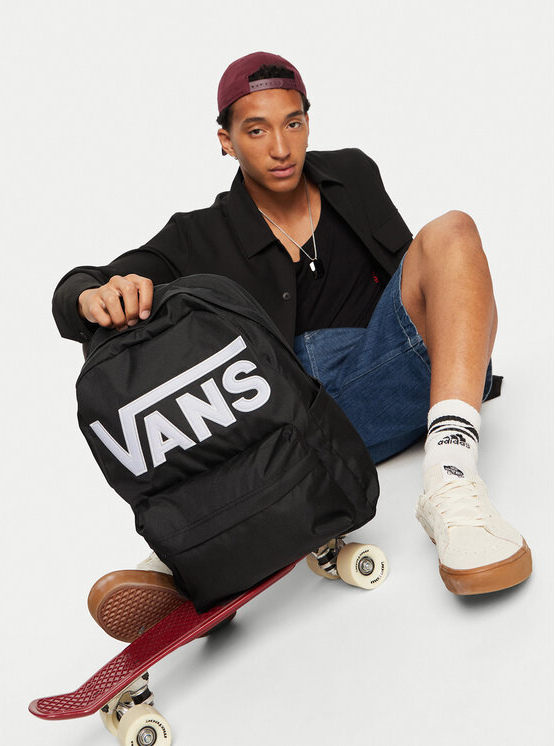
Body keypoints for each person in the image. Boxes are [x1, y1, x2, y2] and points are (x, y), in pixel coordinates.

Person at [52, 51, 532, 641]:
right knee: (244, 412)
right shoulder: (197, 234)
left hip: (388, 372)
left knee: (452, 229)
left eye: (293, 123)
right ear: (226, 141)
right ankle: (198, 551)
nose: (281, 148)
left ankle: (451, 479)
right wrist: (90, 295)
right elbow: (79, 286)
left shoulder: (353, 174)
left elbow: (425, 281)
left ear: (308, 122)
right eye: (256, 130)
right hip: (291, 418)